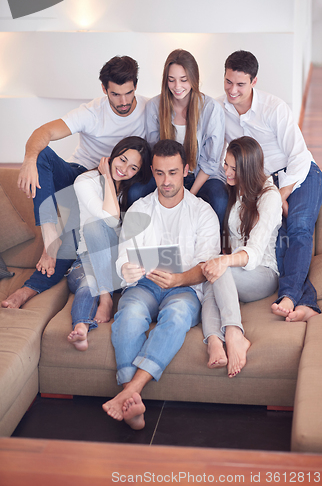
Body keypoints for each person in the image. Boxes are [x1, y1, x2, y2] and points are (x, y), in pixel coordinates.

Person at [2, 56, 148, 310]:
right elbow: (44, 133)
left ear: (136, 86)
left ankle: (30, 287)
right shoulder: (91, 112)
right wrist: (29, 159)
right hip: (82, 175)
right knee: (42, 155)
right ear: (104, 90)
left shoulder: (150, 109)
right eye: (116, 94)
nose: (124, 102)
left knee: (78, 227)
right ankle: (50, 239)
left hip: (122, 182)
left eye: (129, 93)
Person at [102, 139, 220, 430]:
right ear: (152, 172)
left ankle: (130, 392)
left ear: (186, 170)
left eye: (173, 173)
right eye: (159, 173)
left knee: (178, 315)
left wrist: (179, 278)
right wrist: (126, 269)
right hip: (144, 285)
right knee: (128, 314)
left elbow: (207, 268)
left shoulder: (203, 212)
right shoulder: (139, 209)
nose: (166, 181)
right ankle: (132, 402)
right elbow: (121, 260)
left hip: (184, 288)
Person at [216, 50, 322, 322]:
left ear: (254, 81)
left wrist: (279, 195)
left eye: (240, 84)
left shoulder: (274, 108)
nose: (232, 90)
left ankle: (290, 297)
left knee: (297, 228)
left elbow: (298, 156)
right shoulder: (220, 108)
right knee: (277, 240)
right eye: (228, 82)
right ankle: (306, 303)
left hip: (298, 173)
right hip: (262, 181)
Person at [201, 137, 282, 377]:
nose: (226, 172)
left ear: (248, 169)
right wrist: (220, 261)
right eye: (226, 165)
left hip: (263, 273)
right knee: (210, 276)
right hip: (236, 272)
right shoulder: (236, 190)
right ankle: (214, 341)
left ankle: (234, 333)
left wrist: (224, 260)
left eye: (234, 168)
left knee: (219, 269)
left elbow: (255, 253)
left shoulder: (269, 196)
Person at [67, 137, 151, 351]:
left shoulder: (132, 190)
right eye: (122, 160)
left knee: (95, 226)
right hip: (87, 259)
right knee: (89, 283)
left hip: (119, 263)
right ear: (113, 154)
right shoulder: (85, 181)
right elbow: (110, 219)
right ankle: (81, 328)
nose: (124, 169)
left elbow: (114, 223)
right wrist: (105, 178)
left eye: (133, 168)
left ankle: (107, 297)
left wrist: (109, 179)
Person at [135, 49, 227, 228]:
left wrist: (188, 196)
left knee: (219, 198)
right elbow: (155, 151)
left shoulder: (211, 109)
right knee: (135, 192)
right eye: (171, 80)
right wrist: (167, 181)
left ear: (194, 78)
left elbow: (211, 161)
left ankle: (217, 250)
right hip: (167, 174)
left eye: (184, 80)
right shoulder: (154, 106)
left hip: (202, 175)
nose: (177, 86)